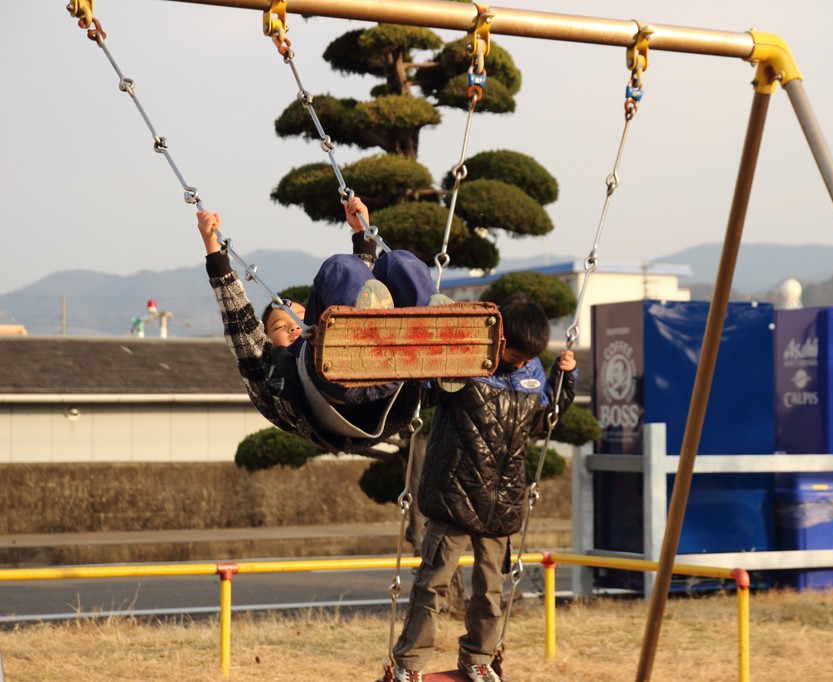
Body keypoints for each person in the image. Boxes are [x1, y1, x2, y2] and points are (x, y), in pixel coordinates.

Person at [391, 295, 577, 682]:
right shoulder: (465, 361)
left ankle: (478, 656)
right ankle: (409, 664)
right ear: (499, 336)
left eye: (529, 356)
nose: (521, 361)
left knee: (491, 592)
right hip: (453, 494)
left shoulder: (534, 375)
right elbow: (426, 392)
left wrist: (564, 379)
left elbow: (543, 423)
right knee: (432, 585)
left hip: (502, 501)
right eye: (516, 352)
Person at [197, 197, 440, 452]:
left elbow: (364, 294)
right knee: (338, 267)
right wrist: (214, 252)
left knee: (398, 262)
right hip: (331, 386)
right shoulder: (267, 364)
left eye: (301, 320)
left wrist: (362, 233)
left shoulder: (319, 325)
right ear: (266, 339)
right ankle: (371, 335)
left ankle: (439, 330)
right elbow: (238, 321)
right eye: (280, 326)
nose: (294, 327)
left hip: (388, 375)